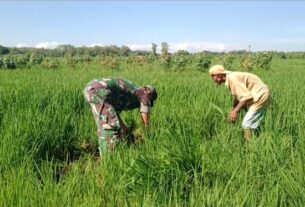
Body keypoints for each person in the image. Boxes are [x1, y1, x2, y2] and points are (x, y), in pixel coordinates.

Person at [83, 78, 157, 156]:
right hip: (99, 91)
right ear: (150, 96)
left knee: (108, 124)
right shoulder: (144, 93)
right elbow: (145, 115)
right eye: (149, 101)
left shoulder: (133, 90)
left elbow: (113, 114)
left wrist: (125, 129)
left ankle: (107, 155)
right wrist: (148, 134)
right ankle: (109, 160)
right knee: (110, 128)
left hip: (92, 90)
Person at [209, 65, 271, 141]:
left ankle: (249, 145)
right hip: (257, 94)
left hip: (260, 96)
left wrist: (235, 111)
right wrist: (233, 109)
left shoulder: (232, 79)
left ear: (219, 75)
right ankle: (255, 134)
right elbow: (239, 96)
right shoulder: (230, 78)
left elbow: (246, 97)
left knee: (246, 124)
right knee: (249, 118)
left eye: (213, 77)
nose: (213, 80)